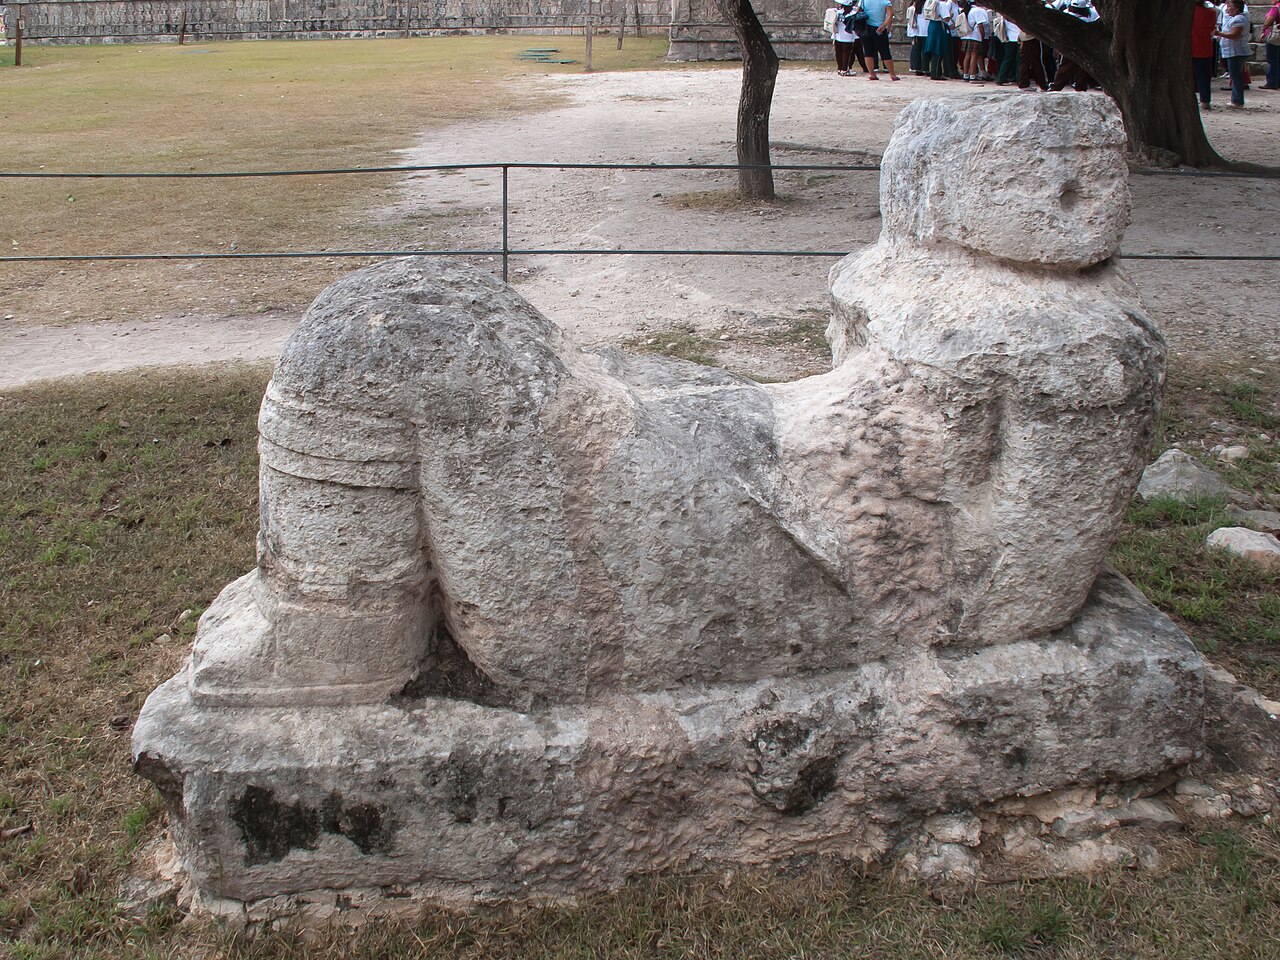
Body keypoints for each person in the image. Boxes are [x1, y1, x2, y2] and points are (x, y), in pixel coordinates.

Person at [1215, 0, 1251, 107]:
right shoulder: (1235, 18)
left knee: (1236, 78)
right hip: (1234, 51)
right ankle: (1236, 99)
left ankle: (1237, 101)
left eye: (1229, 6)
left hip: (1236, 52)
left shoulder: (1239, 19)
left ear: (1236, 8)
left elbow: (1235, 35)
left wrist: (1219, 33)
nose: (1227, 9)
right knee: (1235, 77)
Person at [860, 0, 901, 80]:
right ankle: (892, 74)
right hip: (879, 28)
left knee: (868, 51)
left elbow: (858, 11)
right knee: (885, 51)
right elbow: (890, 14)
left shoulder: (863, 1)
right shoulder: (885, 2)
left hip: (865, 28)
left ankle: (872, 74)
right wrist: (884, 25)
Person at [923, 0, 958, 80]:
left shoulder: (928, 2)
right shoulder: (942, 4)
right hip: (939, 26)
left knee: (933, 49)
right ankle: (936, 73)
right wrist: (950, 16)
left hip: (932, 25)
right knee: (939, 49)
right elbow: (946, 18)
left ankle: (934, 72)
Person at [1193, 1, 1219, 109]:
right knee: (1204, 77)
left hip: (1191, 47)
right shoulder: (1212, 13)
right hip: (1205, 48)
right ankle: (1205, 101)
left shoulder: (1191, 13)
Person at [831, 1, 868, 75]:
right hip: (848, 36)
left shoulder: (837, 12)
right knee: (846, 53)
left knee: (838, 52)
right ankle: (845, 70)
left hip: (838, 34)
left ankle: (840, 68)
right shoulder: (853, 14)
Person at [961, 2, 990, 82]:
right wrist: (982, 36)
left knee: (967, 55)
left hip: (966, 35)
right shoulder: (978, 10)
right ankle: (973, 76)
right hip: (975, 36)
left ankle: (965, 75)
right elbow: (980, 25)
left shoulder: (967, 10)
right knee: (974, 55)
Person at [907, 0, 928, 75]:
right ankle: (923, 68)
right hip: (922, 30)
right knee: (922, 50)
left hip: (918, 30)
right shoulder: (917, 6)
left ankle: (918, 67)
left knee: (918, 50)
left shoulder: (916, 6)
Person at [1263, 0, 1280, 89]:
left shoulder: (1276, 8)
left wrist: (1264, 29)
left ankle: (1272, 81)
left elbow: (1268, 22)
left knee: (1272, 60)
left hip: (1274, 36)